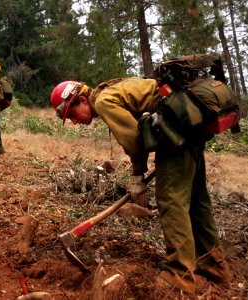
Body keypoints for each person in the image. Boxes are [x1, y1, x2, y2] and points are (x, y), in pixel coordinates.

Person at [50, 78, 231, 295]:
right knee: (197, 200)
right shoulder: (111, 91)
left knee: (170, 201)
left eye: (71, 114)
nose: (74, 122)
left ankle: (179, 276)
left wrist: (137, 175)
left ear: (82, 100)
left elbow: (133, 140)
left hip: (177, 138)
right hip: (188, 132)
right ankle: (213, 265)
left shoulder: (103, 101)